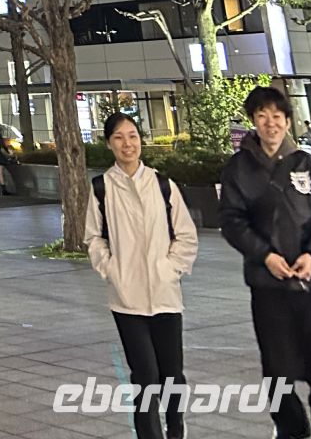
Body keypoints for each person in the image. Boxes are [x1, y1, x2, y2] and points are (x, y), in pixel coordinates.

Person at [84, 113, 198, 439]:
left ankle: (176, 429)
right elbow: (94, 238)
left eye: (132, 136)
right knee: (145, 374)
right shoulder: (102, 188)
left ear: (141, 140)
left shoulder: (163, 185)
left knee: (172, 374)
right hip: (127, 299)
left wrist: (170, 268)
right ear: (109, 144)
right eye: (119, 137)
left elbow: (186, 235)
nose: (127, 144)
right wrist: (111, 270)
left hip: (165, 296)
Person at [220, 84, 311, 439]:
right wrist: (266, 256)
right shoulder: (238, 168)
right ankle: (292, 430)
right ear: (253, 121)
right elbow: (231, 221)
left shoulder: (307, 165)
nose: (270, 123)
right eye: (262, 116)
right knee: (277, 371)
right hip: (268, 286)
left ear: (288, 122)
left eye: (276, 116)